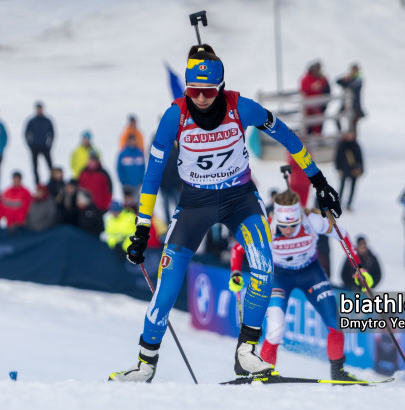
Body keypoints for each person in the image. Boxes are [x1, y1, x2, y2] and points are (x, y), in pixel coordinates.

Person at [109, 44, 342, 383]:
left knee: (263, 266)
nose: (201, 98)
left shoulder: (241, 107)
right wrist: (143, 227)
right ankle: (146, 363)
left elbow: (289, 139)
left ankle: (246, 351)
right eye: (194, 91)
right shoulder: (175, 115)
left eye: (208, 91)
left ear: (220, 87)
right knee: (168, 284)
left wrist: (319, 182)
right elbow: (152, 175)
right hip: (195, 204)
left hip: (239, 200)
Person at [230, 189, 363, 381]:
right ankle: (264, 374)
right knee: (275, 330)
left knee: (335, 323)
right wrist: (235, 273)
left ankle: (338, 372)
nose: (289, 230)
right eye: (284, 226)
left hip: (311, 273)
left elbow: (342, 235)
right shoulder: (267, 225)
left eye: (293, 224)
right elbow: (237, 249)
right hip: (279, 277)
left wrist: (358, 266)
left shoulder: (312, 220)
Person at [24, 101, 55, 184]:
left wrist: (49, 144)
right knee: (35, 167)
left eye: (40, 109)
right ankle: (37, 183)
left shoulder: (47, 121)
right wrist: (30, 145)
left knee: (50, 166)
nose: (39, 110)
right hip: (35, 147)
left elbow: (52, 133)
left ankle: (52, 181)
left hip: (45, 147)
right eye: (38, 109)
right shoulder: (32, 121)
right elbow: (26, 133)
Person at [299, 60, 331, 136]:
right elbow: (303, 90)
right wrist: (312, 87)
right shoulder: (305, 79)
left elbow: (327, 88)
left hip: (319, 105)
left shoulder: (321, 78)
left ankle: (318, 137)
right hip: (309, 106)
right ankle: (309, 138)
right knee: (309, 124)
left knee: (318, 123)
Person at [334, 131, 363, 211]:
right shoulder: (342, 145)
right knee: (342, 187)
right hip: (344, 170)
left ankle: (349, 204)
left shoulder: (356, 145)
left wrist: (361, 169)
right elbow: (338, 158)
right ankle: (338, 203)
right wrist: (338, 169)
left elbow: (360, 158)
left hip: (354, 170)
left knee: (352, 188)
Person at [336, 63, 365, 133]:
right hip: (346, 103)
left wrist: (348, 79)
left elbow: (353, 86)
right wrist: (347, 77)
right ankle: (342, 134)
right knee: (337, 118)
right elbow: (338, 81)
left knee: (353, 122)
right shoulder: (349, 78)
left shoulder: (358, 79)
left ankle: (352, 139)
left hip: (355, 105)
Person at [117, 134, 146, 202]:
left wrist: (141, 180)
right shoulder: (123, 153)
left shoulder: (139, 153)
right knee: (128, 204)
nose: (133, 142)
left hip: (137, 184)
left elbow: (143, 167)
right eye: (131, 140)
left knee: (137, 203)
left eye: (134, 140)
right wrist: (123, 180)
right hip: (127, 184)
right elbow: (119, 168)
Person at [158, 139, 181, 223]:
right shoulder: (159, 149)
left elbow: (180, 165)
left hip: (175, 184)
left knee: (178, 205)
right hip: (164, 185)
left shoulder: (175, 147)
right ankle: (168, 224)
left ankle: (179, 222)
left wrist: (180, 182)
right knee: (165, 206)